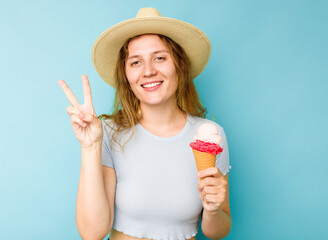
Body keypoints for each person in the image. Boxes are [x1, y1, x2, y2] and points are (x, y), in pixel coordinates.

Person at [58, 7, 232, 240]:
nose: (148, 71)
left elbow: (217, 232)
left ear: (179, 66)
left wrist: (213, 209)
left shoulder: (209, 136)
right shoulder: (109, 132)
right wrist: (90, 147)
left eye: (159, 58)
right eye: (136, 62)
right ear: (126, 76)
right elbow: (92, 232)